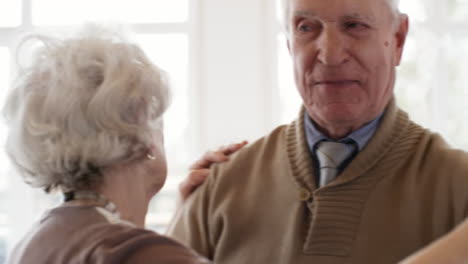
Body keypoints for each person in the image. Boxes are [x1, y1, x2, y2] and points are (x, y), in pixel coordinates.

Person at [168, 0, 468, 263]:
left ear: (398, 39)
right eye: (306, 27)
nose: (330, 55)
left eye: (354, 25)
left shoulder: (459, 186)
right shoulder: (219, 186)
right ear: (289, 43)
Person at [4, 26, 209, 264]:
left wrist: (183, 225)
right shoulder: (137, 252)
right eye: (157, 118)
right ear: (141, 132)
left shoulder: (31, 245)